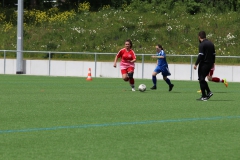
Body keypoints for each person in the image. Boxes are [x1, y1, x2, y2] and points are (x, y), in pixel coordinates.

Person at [194, 31, 215, 101]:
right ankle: (208, 92)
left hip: (204, 64)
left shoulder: (202, 44)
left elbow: (201, 55)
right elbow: (214, 54)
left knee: (201, 79)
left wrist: (196, 64)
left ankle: (204, 96)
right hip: (210, 64)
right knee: (202, 79)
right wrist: (213, 63)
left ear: (199, 37)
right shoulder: (211, 44)